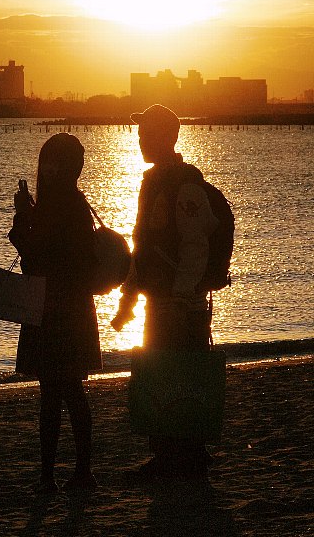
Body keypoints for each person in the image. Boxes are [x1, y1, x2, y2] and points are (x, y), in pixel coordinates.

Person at [112, 104, 218, 481]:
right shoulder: (152, 182)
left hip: (179, 304)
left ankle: (183, 457)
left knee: (178, 376)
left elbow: (194, 248)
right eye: (140, 135)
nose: (141, 141)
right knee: (164, 375)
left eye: (147, 135)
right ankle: (172, 456)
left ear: (168, 137)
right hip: (161, 301)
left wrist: (182, 298)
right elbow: (143, 249)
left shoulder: (185, 185)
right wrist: (128, 301)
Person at [8, 133, 102, 494]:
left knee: (54, 392)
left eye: (49, 161)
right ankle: (80, 471)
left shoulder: (55, 206)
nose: (44, 167)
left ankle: (51, 476)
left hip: (51, 307)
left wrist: (22, 216)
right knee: (70, 389)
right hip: (74, 306)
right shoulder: (77, 204)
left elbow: (33, 252)